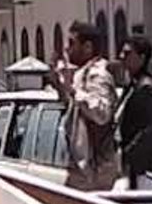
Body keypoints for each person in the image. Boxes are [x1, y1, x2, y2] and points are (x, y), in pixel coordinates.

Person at [49, 20, 120, 191]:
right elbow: (76, 112)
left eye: (72, 43)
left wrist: (72, 90)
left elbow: (101, 113)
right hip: (81, 168)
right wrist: (59, 85)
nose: (67, 49)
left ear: (87, 47)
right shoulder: (83, 75)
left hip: (95, 171)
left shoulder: (97, 75)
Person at [117, 35, 152, 189]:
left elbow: (151, 128)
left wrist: (130, 153)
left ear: (142, 58)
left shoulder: (147, 89)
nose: (121, 57)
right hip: (127, 167)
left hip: (141, 170)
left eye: (128, 53)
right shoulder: (131, 87)